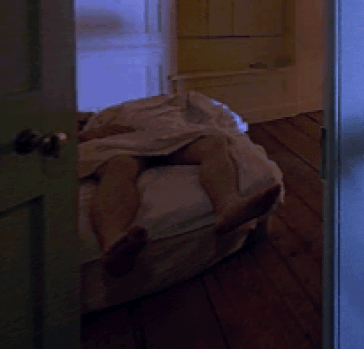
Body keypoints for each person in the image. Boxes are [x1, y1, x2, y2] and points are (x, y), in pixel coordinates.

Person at [78, 96, 282, 277]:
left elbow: (207, 113)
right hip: (119, 143)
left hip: (165, 135)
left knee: (214, 144)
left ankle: (229, 206)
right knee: (119, 168)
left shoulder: (170, 102)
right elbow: (74, 137)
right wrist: (96, 133)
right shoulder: (102, 117)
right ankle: (113, 240)